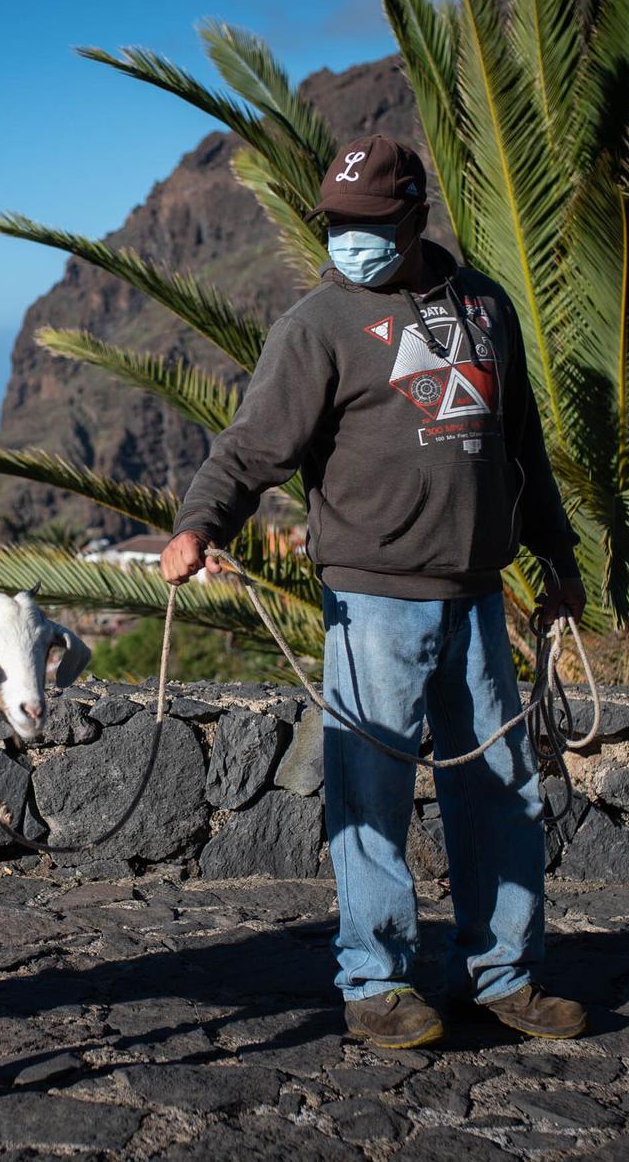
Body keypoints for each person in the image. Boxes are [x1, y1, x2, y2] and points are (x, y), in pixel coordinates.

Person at [161, 133, 588, 1048]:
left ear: (415, 216)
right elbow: (252, 449)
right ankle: (376, 982)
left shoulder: (484, 305)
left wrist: (557, 560)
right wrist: (200, 524)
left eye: (369, 223)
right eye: (336, 224)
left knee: (501, 790)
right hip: (371, 601)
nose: (348, 239)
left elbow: (524, 448)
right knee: (371, 795)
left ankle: (499, 974)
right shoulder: (316, 326)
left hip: (477, 595)